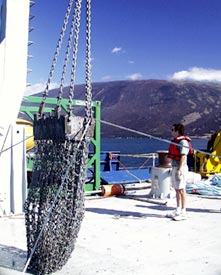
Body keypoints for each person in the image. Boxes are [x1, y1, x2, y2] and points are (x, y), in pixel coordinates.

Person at [167, 123, 191, 220]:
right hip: (174, 167)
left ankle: (184, 211)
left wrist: (180, 170)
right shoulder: (176, 141)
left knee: (181, 189)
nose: (172, 132)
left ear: (177, 131)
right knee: (177, 189)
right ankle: (177, 209)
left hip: (180, 168)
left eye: (173, 130)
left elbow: (183, 156)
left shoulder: (183, 142)